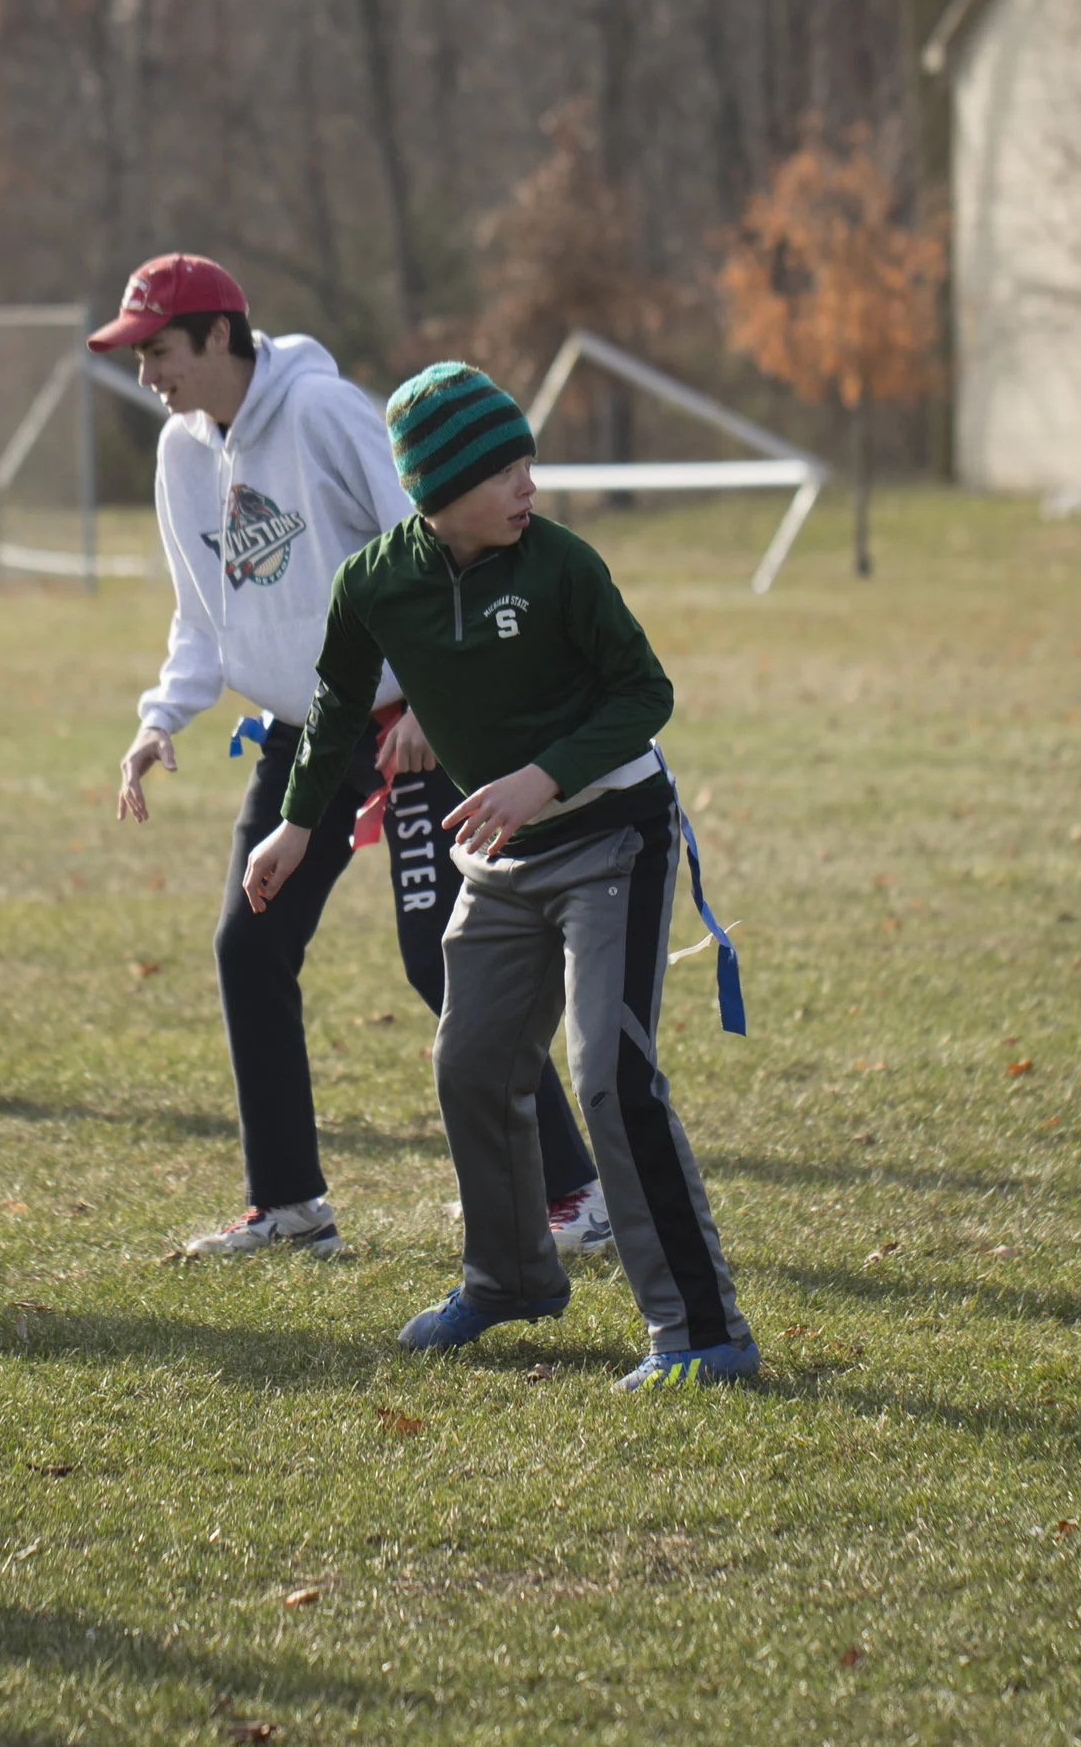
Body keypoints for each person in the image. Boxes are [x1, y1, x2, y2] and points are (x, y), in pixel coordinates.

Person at [244, 361, 756, 1392]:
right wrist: (297, 825)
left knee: (608, 1076)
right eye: (504, 470)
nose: (528, 484)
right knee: (471, 1061)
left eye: (526, 461)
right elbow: (336, 708)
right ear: (438, 491)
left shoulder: (561, 564)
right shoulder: (375, 582)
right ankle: (511, 1278)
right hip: (504, 857)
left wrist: (539, 777)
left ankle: (701, 1329)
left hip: (615, 834)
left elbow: (643, 692)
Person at [93, 254, 602, 1263]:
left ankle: (572, 1192)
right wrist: (163, 718)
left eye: (159, 348)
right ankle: (288, 1204)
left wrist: (424, 693)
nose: (148, 370)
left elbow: (441, 539)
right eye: (138, 352)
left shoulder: (324, 411)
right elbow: (206, 610)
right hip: (310, 730)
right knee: (251, 945)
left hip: (420, 724)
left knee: (439, 960)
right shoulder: (180, 452)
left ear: (219, 336)